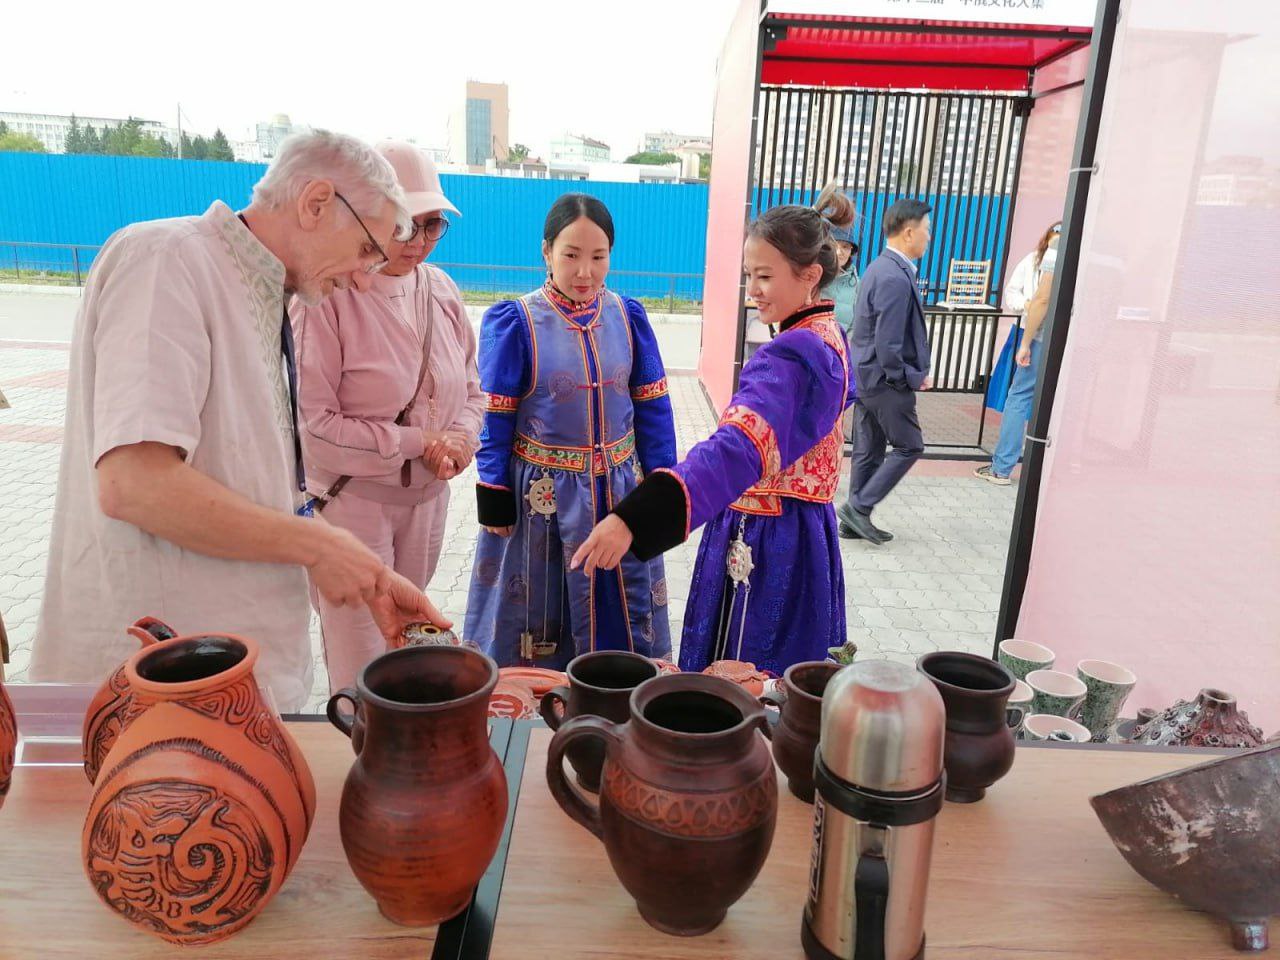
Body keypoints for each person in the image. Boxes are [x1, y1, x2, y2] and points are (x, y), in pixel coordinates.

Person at [29, 130, 449, 712]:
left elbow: (242, 477)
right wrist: (319, 547)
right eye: (364, 249)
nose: (362, 276)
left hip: (225, 685)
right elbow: (136, 483)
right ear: (316, 202)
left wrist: (364, 572)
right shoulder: (167, 259)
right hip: (158, 695)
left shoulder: (263, 289)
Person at [571, 205, 854, 675]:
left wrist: (635, 517)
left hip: (767, 541)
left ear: (810, 275)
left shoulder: (793, 355)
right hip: (805, 530)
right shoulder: (827, 336)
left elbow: (737, 448)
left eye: (764, 276)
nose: (753, 291)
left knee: (743, 677)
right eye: (749, 275)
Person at [292, 142, 482, 693]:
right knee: (358, 654)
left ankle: (408, 749)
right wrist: (413, 440)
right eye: (404, 226)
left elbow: (472, 387)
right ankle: (360, 755)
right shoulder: (330, 294)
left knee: (407, 640)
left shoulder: (442, 289)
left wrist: (461, 441)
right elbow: (315, 429)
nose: (418, 243)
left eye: (432, 226)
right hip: (353, 507)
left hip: (425, 502)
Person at [465, 194, 677, 667]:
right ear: (546, 252)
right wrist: (493, 489)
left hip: (621, 496)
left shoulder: (629, 318)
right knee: (541, 616)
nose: (585, 272)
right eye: (571, 256)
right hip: (542, 499)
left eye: (598, 258)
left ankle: (620, 704)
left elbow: (655, 410)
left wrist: (664, 487)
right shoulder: (517, 322)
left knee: (624, 608)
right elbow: (494, 417)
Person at [836, 198, 933, 546]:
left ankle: (853, 521)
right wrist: (906, 376)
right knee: (910, 445)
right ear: (908, 233)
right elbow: (888, 341)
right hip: (884, 380)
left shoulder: (880, 267)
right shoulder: (894, 275)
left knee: (870, 450)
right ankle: (858, 507)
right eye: (926, 231)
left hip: (867, 376)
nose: (928, 238)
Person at [974, 222, 1060, 485]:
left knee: (1019, 396)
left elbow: (1042, 301)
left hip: (1037, 334)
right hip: (1074, 340)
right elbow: (1015, 293)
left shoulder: (1054, 252)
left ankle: (1002, 468)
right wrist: (1026, 305)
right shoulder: (1097, 252)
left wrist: (1026, 340)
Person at [815, 183, 860, 338]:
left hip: (840, 354)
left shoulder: (855, 283)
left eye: (846, 247)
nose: (840, 252)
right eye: (835, 245)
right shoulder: (814, 276)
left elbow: (856, 324)